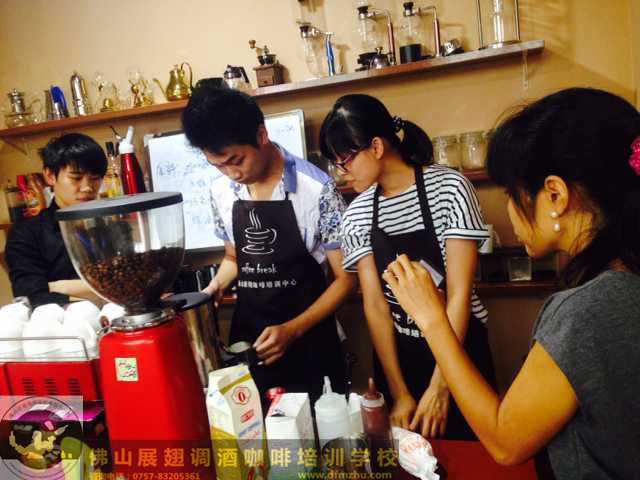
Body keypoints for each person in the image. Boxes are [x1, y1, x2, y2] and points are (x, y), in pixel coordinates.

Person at [384, 88, 640, 478]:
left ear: (554, 194)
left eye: (511, 193)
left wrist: (431, 318)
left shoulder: (586, 311)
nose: (507, 208)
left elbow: (506, 443)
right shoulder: (625, 275)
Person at [320, 94, 495, 439]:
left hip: (460, 346)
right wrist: (400, 392)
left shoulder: (450, 189)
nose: (341, 173)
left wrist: (441, 386)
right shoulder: (357, 215)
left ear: (376, 147)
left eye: (345, 161)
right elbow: (375, 305)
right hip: (401, 354)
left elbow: (459, 295)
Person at [182, 86, 355, 402]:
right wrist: (214, 287)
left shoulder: (317, 190)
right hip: (251, 338)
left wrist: (292, 330)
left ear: (261, 135)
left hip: (310, 339)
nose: (232, 174)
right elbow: (234, 257)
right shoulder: (221, 191)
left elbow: (346, 280)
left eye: (236, 160)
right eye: (218, 166)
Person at [6, 133, 107, 308]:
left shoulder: (112, 225)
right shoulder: (26, 233)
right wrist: (100, 294)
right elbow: (30, 296)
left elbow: (133, 283)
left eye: (95, 178)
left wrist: (60, 286)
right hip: (62, 323)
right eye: (76, 178)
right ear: (50, 176)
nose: (87, 187)